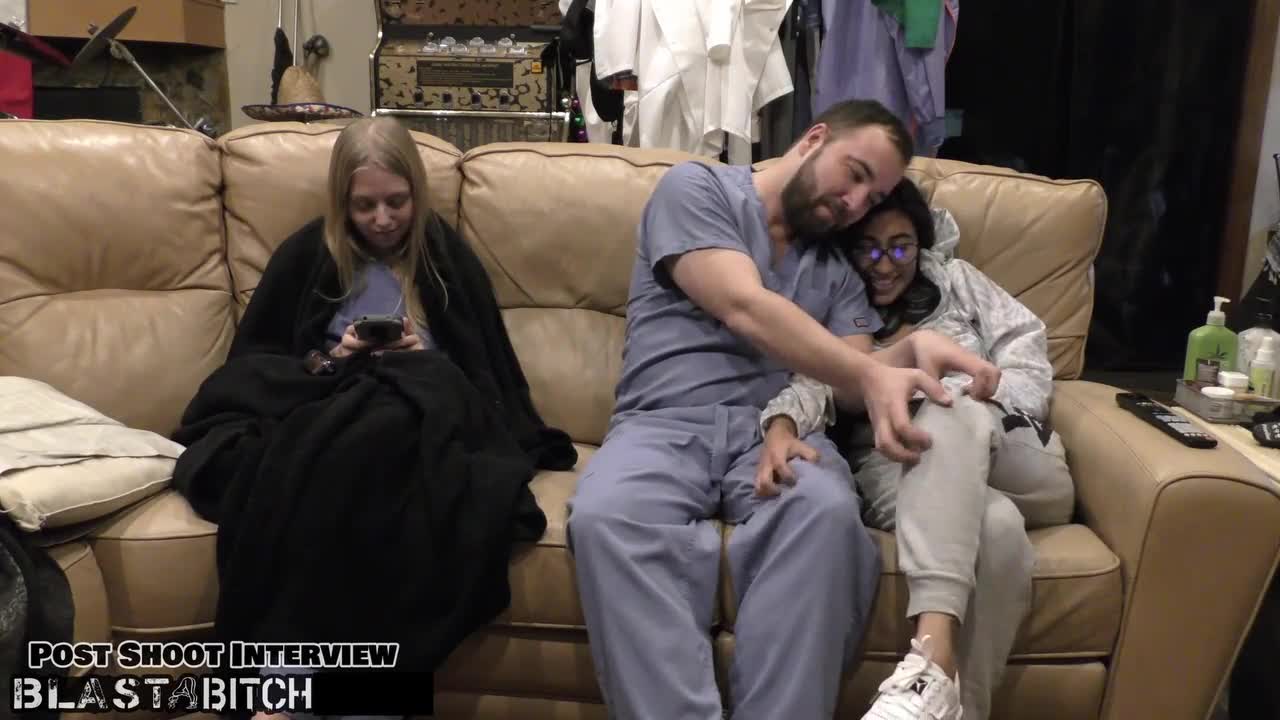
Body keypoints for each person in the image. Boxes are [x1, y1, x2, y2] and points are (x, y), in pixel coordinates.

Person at [566, 99, 1002, 719]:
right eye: (854, 174)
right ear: (814, 138)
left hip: (778, 431)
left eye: (874, 197)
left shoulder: (837, 268)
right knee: (607, 515)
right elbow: (743, 304)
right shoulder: (697, 189)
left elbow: (847, 380)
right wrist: (870, 372)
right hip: (661, 424)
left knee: (825, 514)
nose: (856, 204)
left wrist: (905, 352)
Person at [172, 117, 576, 718]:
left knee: (380, 430)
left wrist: (420, 358)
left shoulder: (444, 258)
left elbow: (484, 376)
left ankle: (287, 687)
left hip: (423, 418)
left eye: (396, 202)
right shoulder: (308, 254)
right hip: (332, 411)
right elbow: (259, 366)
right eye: (365, 206)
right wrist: (333, 359)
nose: (383, 219)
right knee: (353, 450)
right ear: (342, 201)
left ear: (417, 193)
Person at [756, 178, 1076, 720]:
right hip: (902, 464)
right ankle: (948, 707)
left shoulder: (957, 281)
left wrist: (971, 393)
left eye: (900, 248)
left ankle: (931, 657)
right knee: (996, 528)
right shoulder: (838, 303)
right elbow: (816, 379)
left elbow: (1028, 356)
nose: (885, 265)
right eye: (868, 249)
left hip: (1011, 451)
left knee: (947, 409)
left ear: (920, 245)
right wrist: (782, 422)